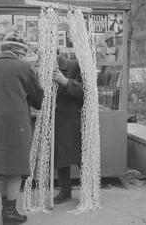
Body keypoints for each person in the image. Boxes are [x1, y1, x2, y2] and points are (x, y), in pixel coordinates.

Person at [0, 32, 44, 225]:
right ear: (19, 51)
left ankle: (6, 209)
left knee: (0, 167)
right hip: (16, 125)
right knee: (15, 168)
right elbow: (38, 100)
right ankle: (11, 212)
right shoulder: (24, 68)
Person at [52, 51, 84, 204]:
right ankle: (65, 190)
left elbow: (86, 91)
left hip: (72, 118)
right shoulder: (42, 68)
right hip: (55, 119)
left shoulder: (74, 65)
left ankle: (89, 189)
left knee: (80, 156)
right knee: (61, 157)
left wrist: (66, 82)